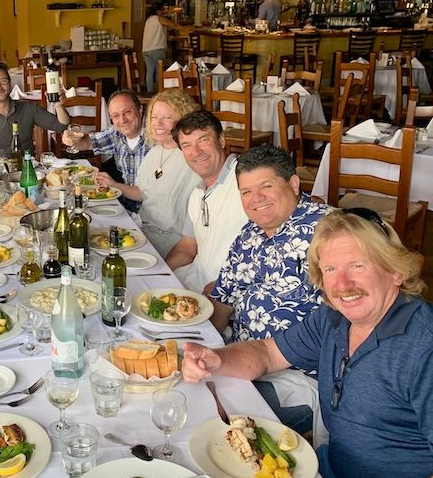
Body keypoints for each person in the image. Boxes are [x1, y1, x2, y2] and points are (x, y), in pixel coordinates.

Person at [181, 209, 433, 478]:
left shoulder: (430, 347)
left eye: (357, 265)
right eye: (330, 269)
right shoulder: (334, 319)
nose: (342, 284)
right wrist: (216, 359)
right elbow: (267, 354)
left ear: (395, 271)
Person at [211, 144, 332, 435]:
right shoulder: (249, 233)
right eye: (246, 191)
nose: (256, 199)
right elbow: (223, 302)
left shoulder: (328, 232)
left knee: (213, 418)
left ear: (293, 184)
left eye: (266, 186)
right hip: (241, 356)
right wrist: (204, 345)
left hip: (297, 375)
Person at [102, 89, 200, 256]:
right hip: (143, 232)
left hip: (169, 243)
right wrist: (114, 185)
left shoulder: (192, 158)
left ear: (184, 118)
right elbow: (143, 192)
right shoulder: (155, 151)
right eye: (154, 117)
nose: (158, 123)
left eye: (166, 117)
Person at [165, 110, 247, 292]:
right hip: (193, 284)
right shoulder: (197, 194)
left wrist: (221, 293)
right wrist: (160, 275)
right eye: (186, 145)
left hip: (227, 294)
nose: (196, 152)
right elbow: (187, 247)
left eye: (203, 140)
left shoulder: (245, 180)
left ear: (222, 140)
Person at [0, 60, 70, 163]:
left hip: (27, 173)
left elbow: (61, 126)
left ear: (10, 83)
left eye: (3, 81)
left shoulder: (28, 109)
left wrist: (58, 106)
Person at [62, 89, 150, 212]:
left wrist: (114, 185)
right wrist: (73, 139)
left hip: (150, 213)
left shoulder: (154, 136)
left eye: (127, 112)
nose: (122, 120)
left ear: (140, 110)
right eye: (116, 116)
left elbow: (149, 193)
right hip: (128, 206)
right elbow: (88, 142)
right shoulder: (116, 133)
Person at [142, 2, 179, 93]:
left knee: (149, 72)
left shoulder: (148, 20)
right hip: (157, 49)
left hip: (146, 50)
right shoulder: (159, 18)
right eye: (163, 10)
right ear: (158, 11)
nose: (164, 12)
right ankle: (160, 92)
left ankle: (150, 93)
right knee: (159, 72)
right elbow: (174, 25)